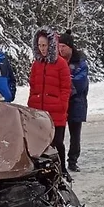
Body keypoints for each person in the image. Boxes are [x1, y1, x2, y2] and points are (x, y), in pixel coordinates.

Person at [27, 28, 72, 172]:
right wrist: (31, 103)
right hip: (39, 111)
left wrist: (62, 106)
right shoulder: (36, 64)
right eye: (39, 45)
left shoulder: (61, 64)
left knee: (57, 142)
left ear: (51, 44)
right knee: (41, 144)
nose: (42, 49)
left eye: (44, 45)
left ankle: (62, 169)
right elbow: (33, 86)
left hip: (56, 111)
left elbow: (66, 88)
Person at [58, 30, 89, 172]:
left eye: (63, 46)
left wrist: (66, 84)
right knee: (58, 134)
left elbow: (80, 82)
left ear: (70, 46)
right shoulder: (57, 61)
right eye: (59, 46)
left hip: (76, 102)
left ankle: (73, 160)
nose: (61, 49)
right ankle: (59, 161)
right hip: (61, 102)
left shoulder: (80, 62)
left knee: (75, 135)